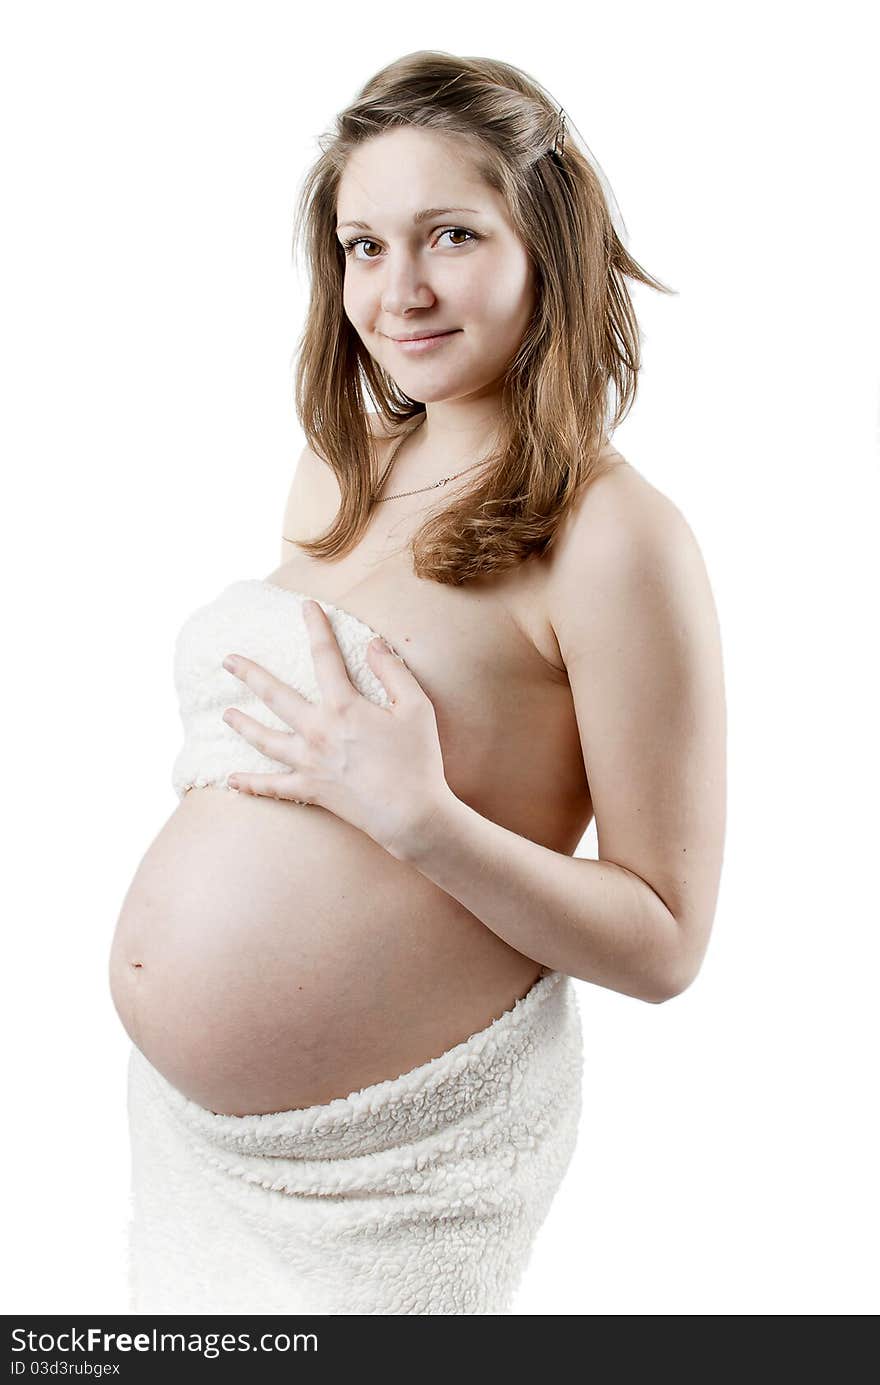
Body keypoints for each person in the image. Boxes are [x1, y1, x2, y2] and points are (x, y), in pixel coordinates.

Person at [109, 49, 726, 1316]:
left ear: (543, 243)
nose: (400, 289)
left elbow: (665, 942)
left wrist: (424, 821)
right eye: (362, 245)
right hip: (196, 1156)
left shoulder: (615, 536)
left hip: (389, 1186)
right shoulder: (341, 470)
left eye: (450, 233)